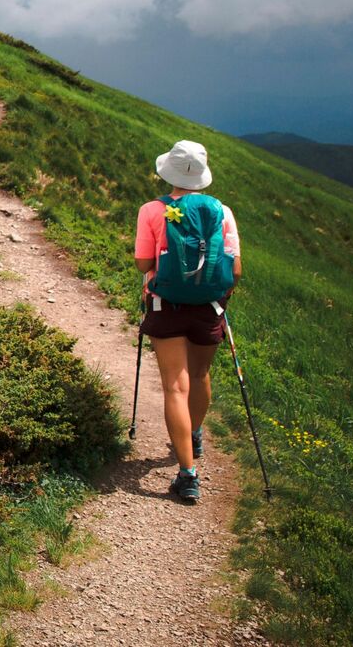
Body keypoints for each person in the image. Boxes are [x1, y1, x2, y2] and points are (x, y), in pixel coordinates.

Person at [133, 140, 241, 504]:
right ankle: (194, 433)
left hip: (166, 305)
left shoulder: (151, 210)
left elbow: (144, 264)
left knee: (175, 388)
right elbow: (236, 269)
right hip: (208, 307)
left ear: (169, 172)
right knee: (199, 377)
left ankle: (188, 474)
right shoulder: (222, 211)